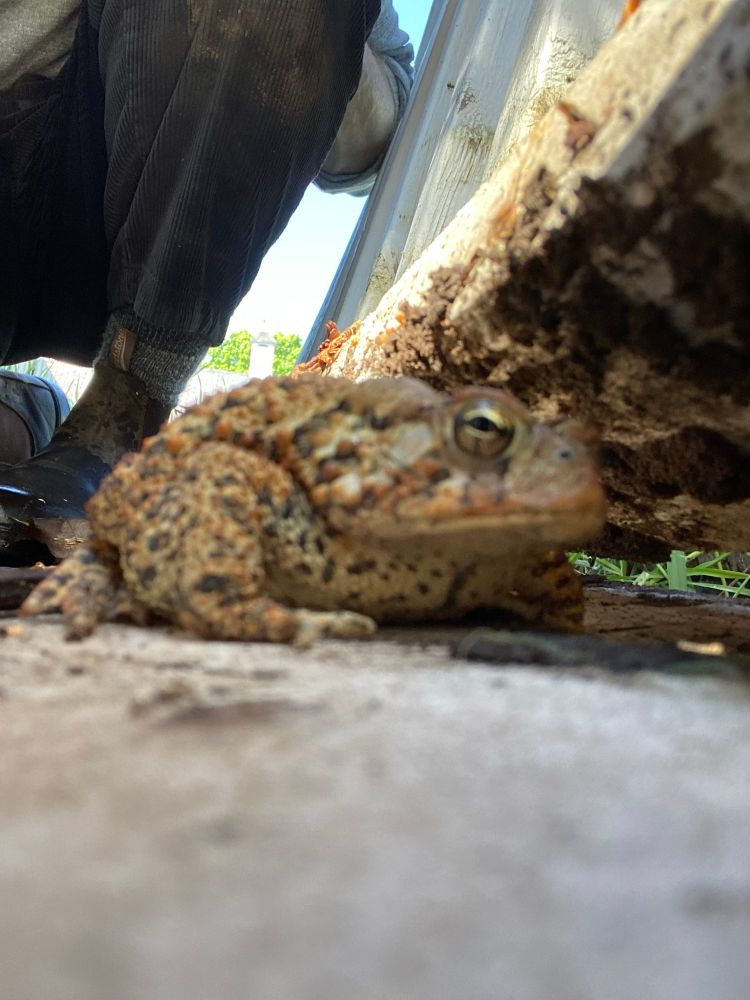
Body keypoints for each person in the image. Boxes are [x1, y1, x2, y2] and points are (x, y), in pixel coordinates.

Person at [0, 0, 413, 552]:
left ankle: (119, 418)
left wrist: (295, 26)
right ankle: (21, 410)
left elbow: (375, 142)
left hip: (89, 177)